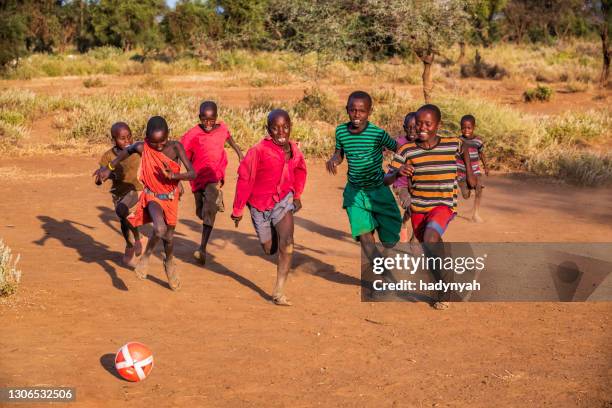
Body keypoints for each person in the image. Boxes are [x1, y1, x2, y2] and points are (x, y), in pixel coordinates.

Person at [385, 104, 476, 309]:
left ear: (438, 125)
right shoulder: (406, 150)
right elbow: (386, 178)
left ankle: (445, 290)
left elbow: (465, 149)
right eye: (418, 123)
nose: (422, 127)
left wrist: (469, 174)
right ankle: (445, 276)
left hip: (443, 204)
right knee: (430, 248)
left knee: (430, 237)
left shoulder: (451, 144)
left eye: (428, 123)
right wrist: (398, 173)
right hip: (418, 207)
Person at [94, 116, 195, 291]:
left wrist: (175, 177)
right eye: (154, 143)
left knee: (169, 239)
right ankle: (145, 258)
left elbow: (192, 173)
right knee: (159, 229)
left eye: (163, 142)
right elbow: (127, 151)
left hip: (170, 197)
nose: (159, 146)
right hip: (152, 196)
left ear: (168, 136)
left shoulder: (176, 147)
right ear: (147, 138)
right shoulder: (143, 146)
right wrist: (108, 168)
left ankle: (169, 263)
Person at [326, 91, 402, 297]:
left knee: (390, 240)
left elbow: (401, 149)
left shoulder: (378, 134)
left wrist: (395, 172)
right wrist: (334, 159)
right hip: (355, 192)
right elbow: (339, 152)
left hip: (378, 190)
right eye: (352, 110)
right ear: (347, 110)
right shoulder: (341, 131)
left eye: (361, 111)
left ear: (369, 112)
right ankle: (383, 278)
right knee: (365, 236)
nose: (356, 114)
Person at [231, 109, 307, 306]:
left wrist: (297, 195)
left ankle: (279, 290)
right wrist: (238, 209)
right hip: (259, 205)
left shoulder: (294, 150)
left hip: (283, 201)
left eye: (285, 127)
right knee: (269, 249)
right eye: (275, 128)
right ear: (268, 130)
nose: (281, 133)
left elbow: (300, 170)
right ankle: (273, 231)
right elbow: (245, 180)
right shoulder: (258, 151)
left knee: (288, 241)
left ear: (291, 127)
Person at [180, 101, 243, 266]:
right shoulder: (192, 134)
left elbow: (230, 139)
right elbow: (179, 151)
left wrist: (240, 154)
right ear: (199, 117)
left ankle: (202, 248)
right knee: (200, 213)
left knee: (209, 210)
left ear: (216, 117)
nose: (208, 123)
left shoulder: (222, 128)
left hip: (214, 176)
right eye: (204, 119)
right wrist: (177, 178)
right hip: (196, 178)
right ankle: (214, 201)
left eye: (211, 119)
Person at [94, 122, 143, 267]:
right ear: (114, 139)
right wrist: (102, 177)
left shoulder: (137, 150)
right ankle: (129, 245)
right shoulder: (108, 156)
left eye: (129, 137)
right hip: (118, 193)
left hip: (135, 189)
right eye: (122, 138)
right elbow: (100, 179)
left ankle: (138, 238)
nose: (127, 141)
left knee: (122, 210)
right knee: (123, 220)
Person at [456, 114, 488, 223]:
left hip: (475, 170)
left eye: (469, 128)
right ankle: (466, 189)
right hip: (461, 173)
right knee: (466, 195)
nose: (466, 130)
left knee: (479, 188)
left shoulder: (478, 141)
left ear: (474, 127)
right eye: (463, 128)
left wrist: (486, 166)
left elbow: (482, 154)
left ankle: (476, 214)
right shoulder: (458, 141)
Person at [393, 112, 417, 243]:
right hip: (401, 184)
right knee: (412, 207)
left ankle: (411, 232)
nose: (412, 131)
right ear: (404, 127)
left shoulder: (423, 144)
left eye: (415, 127)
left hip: (417, 185)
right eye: (409, 127)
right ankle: (405, 228)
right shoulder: (399, 142)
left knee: (417, 211)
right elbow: (381, 148)